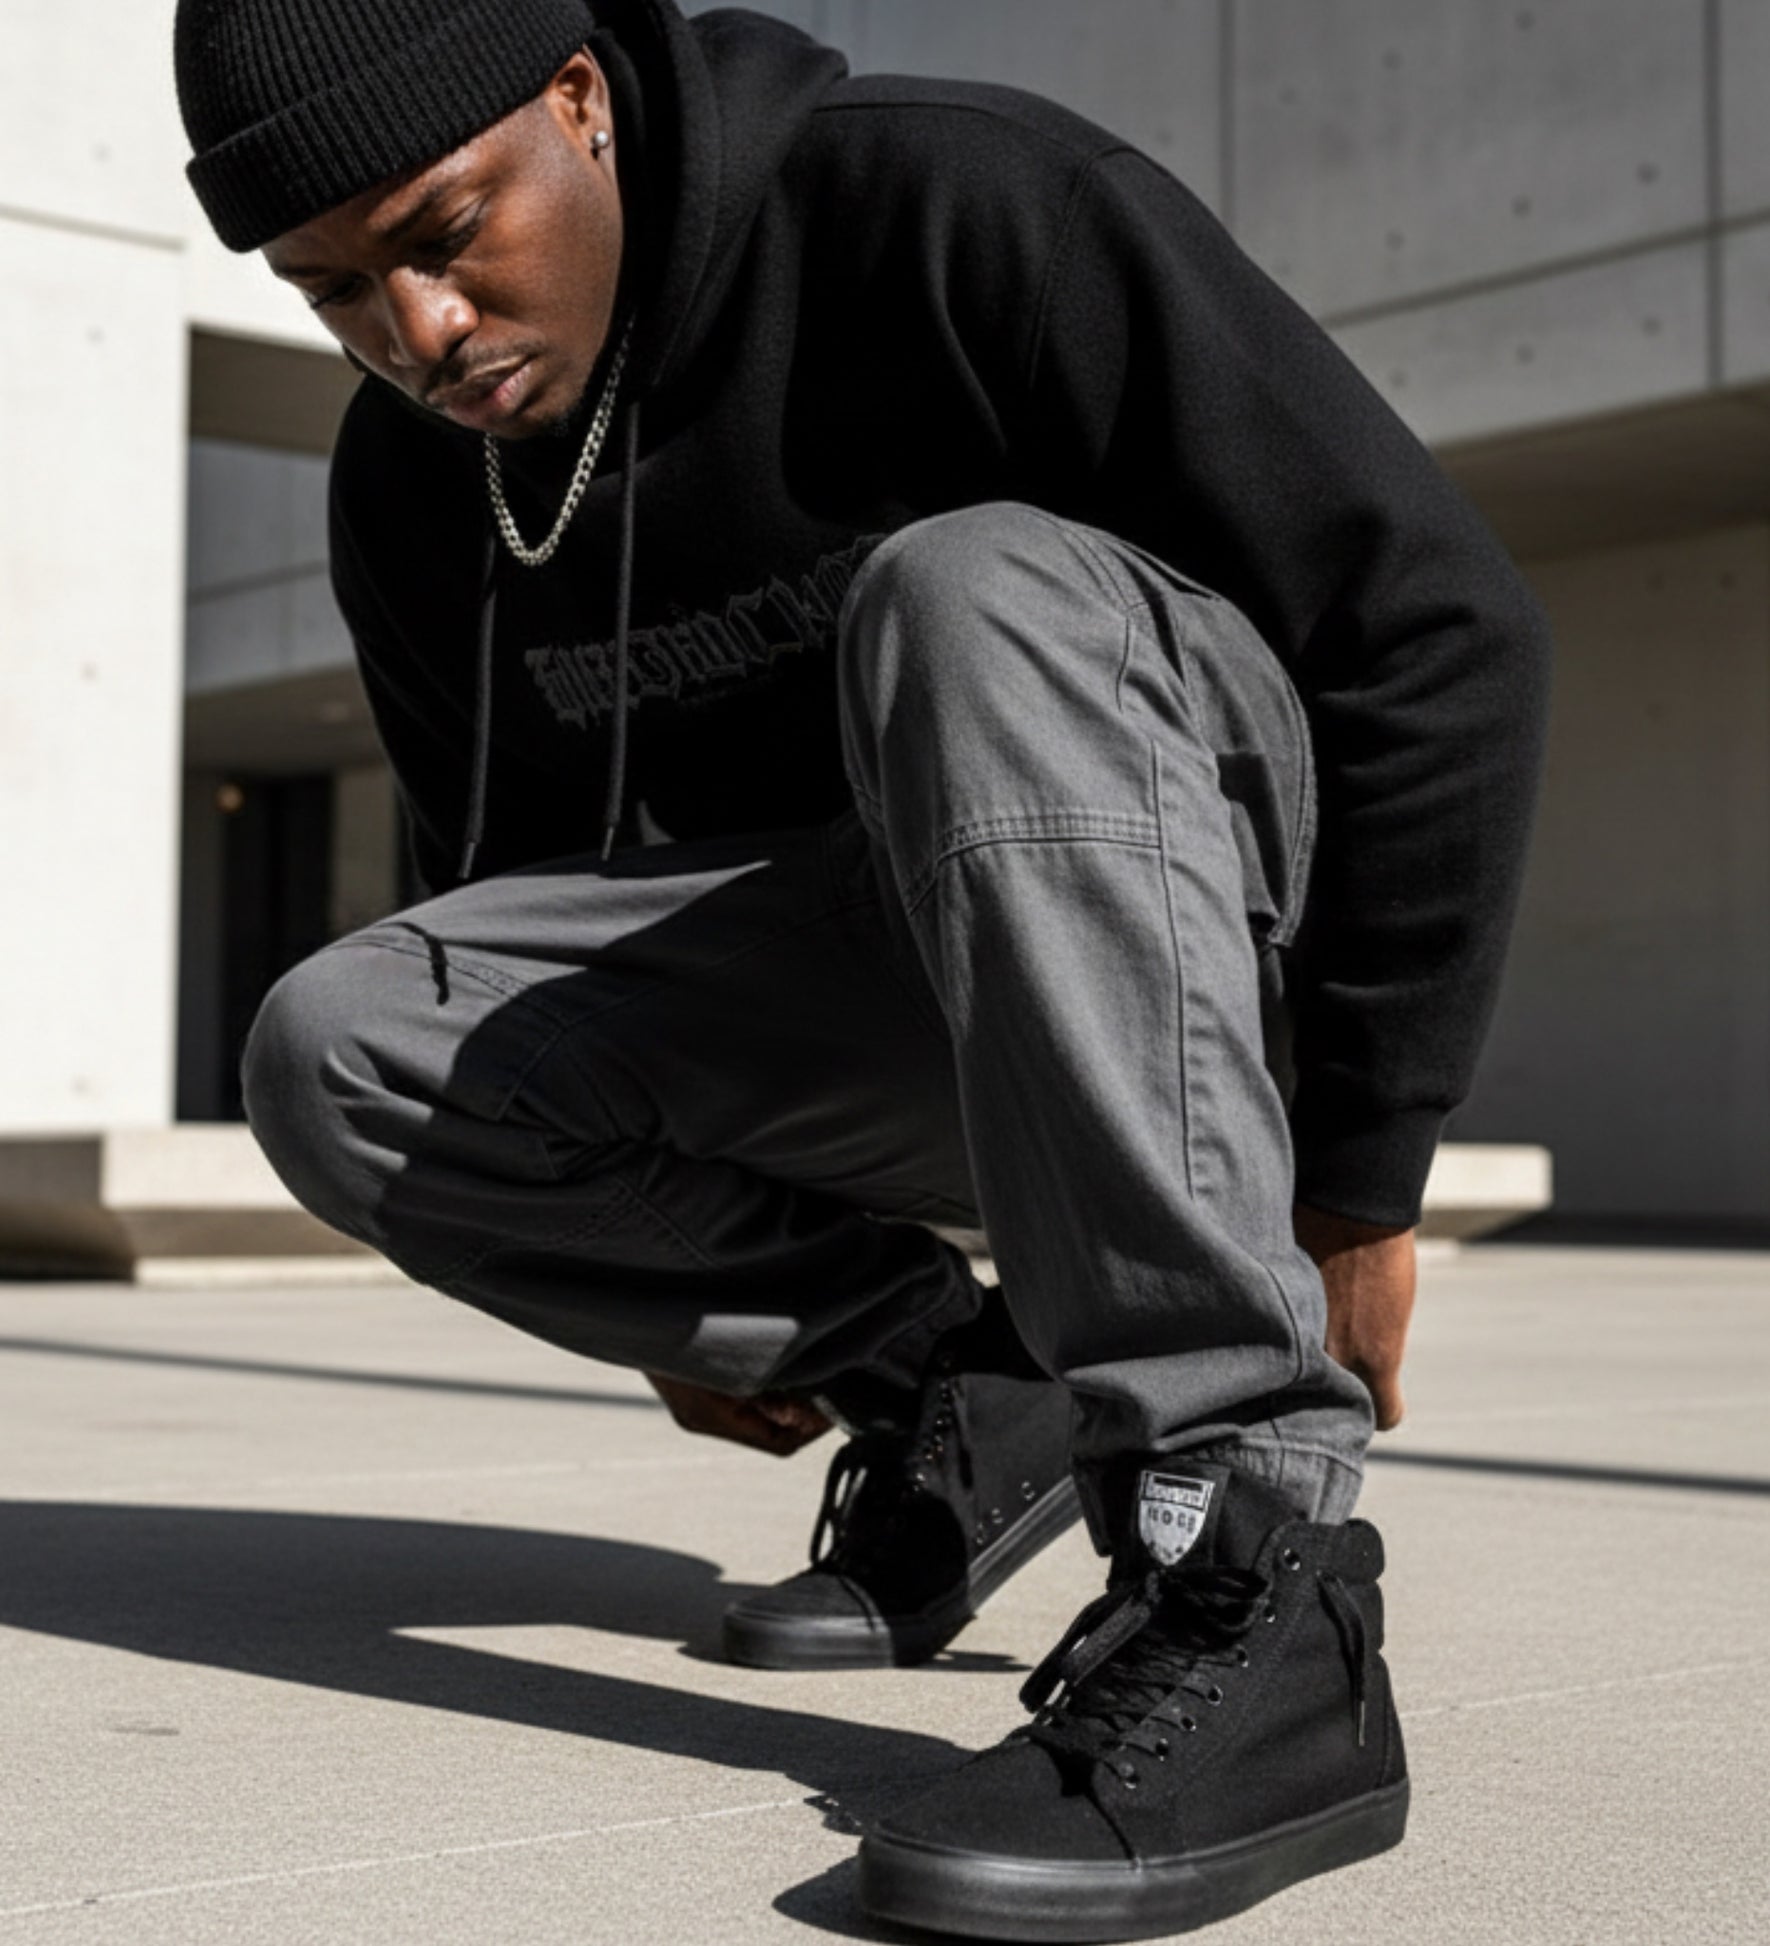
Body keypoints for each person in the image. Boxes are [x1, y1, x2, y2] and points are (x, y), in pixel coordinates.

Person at [173, 1, 1550, 1937]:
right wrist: (665, 1294)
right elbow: (503, 900)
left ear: (578, 100)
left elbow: (1435, 626)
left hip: (1194, 953)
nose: (415, 330)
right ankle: (946, 1382)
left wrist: (1362, 1156)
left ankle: (1250, 1570)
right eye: (332, 292)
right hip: (899, 992)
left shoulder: (956, 208)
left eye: (444, 231)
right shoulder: (410, 486)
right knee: (338, 1043)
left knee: (963, 590)